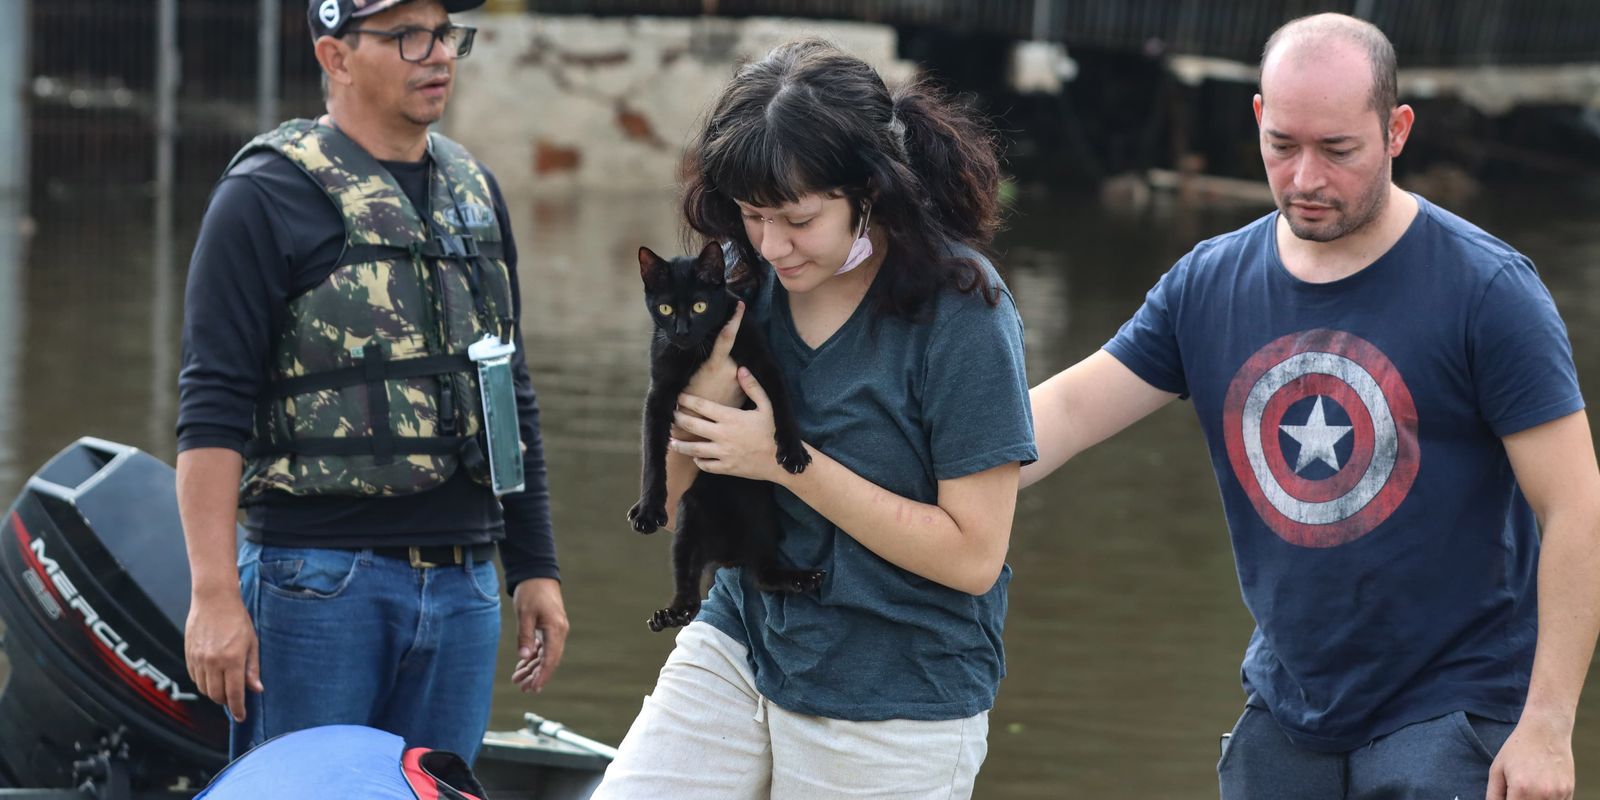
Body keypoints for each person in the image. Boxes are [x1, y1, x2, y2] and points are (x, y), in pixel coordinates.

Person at [1024, 13, 1600, 800]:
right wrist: (904, 459)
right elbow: (1063, 416)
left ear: (1397, 131)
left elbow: (1576, 506)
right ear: (1258, 117)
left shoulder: (1489, 292)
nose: (1305, 180)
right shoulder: (1207, 284)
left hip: (1454, 705)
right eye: (1283, 145)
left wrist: (1547, 724)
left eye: (1338, 151)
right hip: (1290, 704)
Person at [591, 39, 1036, 798]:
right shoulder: (737, 283)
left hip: (894, 690)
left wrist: (777, 460)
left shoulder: (964, 311)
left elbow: (972, 557)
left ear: (870, 191)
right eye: (752, 216)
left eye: (797, 219)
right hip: (741, 639)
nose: (770, 245)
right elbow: (669, 507)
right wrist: (701, 388)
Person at [175, 0, 567, 764]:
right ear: (336, 57)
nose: (440, 54)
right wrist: (215, 594)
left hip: (464, 586)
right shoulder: (262, 197)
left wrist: (535, 566)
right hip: (316, 586)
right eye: (408, 36)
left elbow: (507, 387)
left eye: (446, 34)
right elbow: (210, 407)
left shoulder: (475, 192)